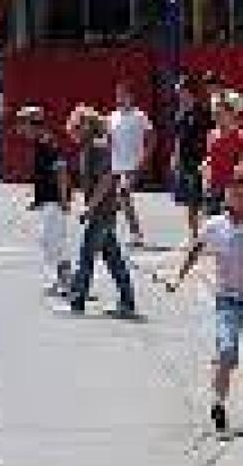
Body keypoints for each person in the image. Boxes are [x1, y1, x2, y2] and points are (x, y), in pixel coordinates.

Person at [167, 176, 243, 433]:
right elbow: (194, 250)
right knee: (226, 350)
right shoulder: (214, 226)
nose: (232, 201)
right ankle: (218, 404)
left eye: (238, 196)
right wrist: (177, 278)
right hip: (228, 299)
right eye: (229, 196)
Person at [69, 112, 136, 316]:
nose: (72, 132)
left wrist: (90, 208)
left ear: (86, 126)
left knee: (86, 255)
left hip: (102, 210)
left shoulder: (97, 147)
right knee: (112, 257)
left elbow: (107, 179)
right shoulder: (92, 147)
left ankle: (77, 300)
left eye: (75, 127)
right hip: (104, 209)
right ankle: (127, 300)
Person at [16, 104, 72, 297]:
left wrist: (64, 199)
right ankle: (63, 279)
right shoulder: (41, 143)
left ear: (33, 125)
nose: (20, 129)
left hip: (55, 201)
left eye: (23, 124)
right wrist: (36, 198)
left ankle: (67, 281)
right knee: (50, 241)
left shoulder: (48, 144)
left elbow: (62, 170)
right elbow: (43, 175)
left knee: (53, 241)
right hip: (48, 200)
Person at [105, 83, 153, 248]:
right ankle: (117, 232)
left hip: (134, 164)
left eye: (124, 94)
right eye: (119, 95)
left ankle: (135, 233)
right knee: (118, 200)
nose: (121, 98)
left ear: (131, 97)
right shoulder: (111, 117)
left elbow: (152, 137)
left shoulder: (140, 116)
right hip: (115, 165)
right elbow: (108, 139)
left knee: (123, 193)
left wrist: (145, 157)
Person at [173, 76, 214, 239]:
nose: (179, 95)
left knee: (201, 200)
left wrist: (208, 159)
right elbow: (178, 137)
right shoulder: (180, 113)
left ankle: (206, 234)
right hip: (185, 160)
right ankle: (194, 235)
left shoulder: (203, 112)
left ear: (189, 92)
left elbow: (210, 136)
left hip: (199, 160)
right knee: (189, 200)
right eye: (178, 92)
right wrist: (175, 157)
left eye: (181, 91)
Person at [202, 95, 243, 217]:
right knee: (212, 221)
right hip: (214, 185)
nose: (216, 117)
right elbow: (210, 155)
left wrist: (240, 178)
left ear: (231, 115)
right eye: (215, 113)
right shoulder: (212, 134)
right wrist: (205, 165)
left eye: (220, 113)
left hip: (232, 188)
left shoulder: (240, 136)